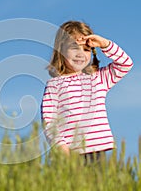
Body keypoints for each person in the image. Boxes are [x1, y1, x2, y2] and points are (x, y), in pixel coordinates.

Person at [41, 21, 133, 162]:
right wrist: (61, 148)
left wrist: (105, 44)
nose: (80, 54)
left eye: (86, 49)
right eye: (74, 48)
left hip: (96, 154)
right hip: (68, 155)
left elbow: (125, 64)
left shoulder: (97, 78)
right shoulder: (54, 85)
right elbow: (49, 121)